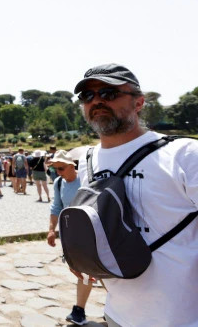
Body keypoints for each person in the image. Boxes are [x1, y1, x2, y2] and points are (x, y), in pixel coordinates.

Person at [72, 63, 198, 326]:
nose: (96, 101)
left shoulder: (185, 155)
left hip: (182, 316)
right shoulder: (88, 159)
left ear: (139, 103)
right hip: (118, 314)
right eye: (87, 96)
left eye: (108, 93)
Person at [46, 150, 92, 325]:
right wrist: (52, 230)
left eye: (61, 168)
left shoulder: (86, 180)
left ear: (72, 166)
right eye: (55, 169)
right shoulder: (58, 183)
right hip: (71, 235)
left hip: (91, 234)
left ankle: (79, 311)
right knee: (93, 271)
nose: (58, 172)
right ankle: (114, 306)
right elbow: (56, 207)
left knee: (87, 271)